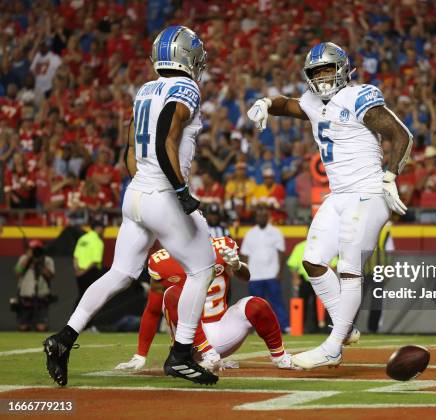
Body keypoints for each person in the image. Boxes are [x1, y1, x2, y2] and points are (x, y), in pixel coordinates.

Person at [43, 26, 218, 387]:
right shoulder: (186, 88)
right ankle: (182, 354)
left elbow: (130, 150)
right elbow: (165, 140)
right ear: (186, 56)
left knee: (120, 273)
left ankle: (63, 339)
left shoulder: (144, 90)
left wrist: (147, 184)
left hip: (136, 192)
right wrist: (181, 191)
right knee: (202, 268)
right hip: (162, 194)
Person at [247, 42, 412, 368]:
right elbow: (288, 105)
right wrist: (266, 103)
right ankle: (345, 325)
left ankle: (334, 345)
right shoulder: (310, 101)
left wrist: (390, 175)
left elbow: (401, 134)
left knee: (350, 268)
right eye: (316, 72)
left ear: (342, 70)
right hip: (338, 195)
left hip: (367, 192)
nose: (322, 78)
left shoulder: (357, 95)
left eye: (327, 70)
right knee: (313, 262)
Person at [114, 237, 298, 371]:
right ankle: (207, 354)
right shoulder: (161, 261)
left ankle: (280, 357)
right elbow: (153, 311)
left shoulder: (221, 246)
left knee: (256, 304)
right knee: (173, 294)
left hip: (223, 327)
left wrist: (236, 265)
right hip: (190, 342)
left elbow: (246, 277)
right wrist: (141, 353)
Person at [240, 206, 289, 332]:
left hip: (272, 273)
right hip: (254, 275)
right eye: (259, 216)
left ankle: (284, 326)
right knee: (256, 305)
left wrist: (280, 271)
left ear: (268, 217)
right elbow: (245, 254)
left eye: (263, 216)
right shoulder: (250, 233)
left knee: (276, 302)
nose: (261, 218)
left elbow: (281, 253)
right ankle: (258, 328)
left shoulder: (275, 232)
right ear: (256, 217)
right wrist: (246, 273)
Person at [14, 240, 55, 332]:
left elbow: (51, 276)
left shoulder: (47, 260)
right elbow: (17, 273)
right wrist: (28, 258)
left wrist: (40, 263)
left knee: (41, 327)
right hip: (26, 295)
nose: (35, 252)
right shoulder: (23, 258)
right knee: (23, 327)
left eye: (37, 249)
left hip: (41, 295)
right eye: (32, 249)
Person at [73, 221, 104, 310]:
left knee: (81, 296)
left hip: (79, 273)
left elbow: (75, 257)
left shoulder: (82, 239)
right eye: (102, 228)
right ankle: (87, 323)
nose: (103, 231)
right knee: (91, 301)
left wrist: (77, 271)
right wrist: (83, 272)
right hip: (91, 272)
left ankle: (74, 320)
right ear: (98, 228)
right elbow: (95, 261)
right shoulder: (98, 241)